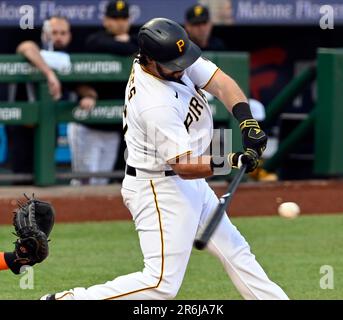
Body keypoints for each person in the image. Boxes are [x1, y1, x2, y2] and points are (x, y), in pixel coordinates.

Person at [41, 18, 288, 300]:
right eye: (175, 64)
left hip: (185, 180)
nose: (182, 67)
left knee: (236, 251)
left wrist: (247, 122)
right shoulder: (154, 102)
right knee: (160, 284)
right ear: (150, 61)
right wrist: (230, 160)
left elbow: (220, 83)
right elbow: (183, 165)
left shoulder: (169, 57)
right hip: (159, 188)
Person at [9, 16, 97, 184]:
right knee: (21, 177)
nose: (59, 37)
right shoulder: (39, 48)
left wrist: (89, 95)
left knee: (46, 174)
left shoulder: (65, 56)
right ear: (45, 34)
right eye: (54, 32)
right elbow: (26, 47)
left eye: (63, 33)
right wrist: (49, 74)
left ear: (69, 35)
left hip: (49, 121)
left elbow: (76, 84)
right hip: (22, 124)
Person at [68, 0, 138, 185]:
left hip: (113, 127)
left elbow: (141, 48)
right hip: (89, 123)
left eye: (123, 18)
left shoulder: (136, 40)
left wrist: (128, 45)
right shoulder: (95, 39)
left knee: (101, 182)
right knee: (83, 182)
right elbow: (105, 45)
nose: (120, 22)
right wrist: (125, 46)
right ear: (106, 20)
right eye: (115, 18)